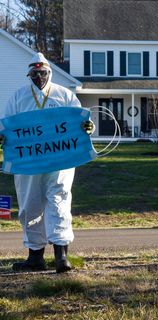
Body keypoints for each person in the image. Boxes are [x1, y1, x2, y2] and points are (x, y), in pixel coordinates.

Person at [0, 52, 94, 273]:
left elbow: (80, 122)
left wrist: (89, 128)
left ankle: (61, 256)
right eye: (35, 73)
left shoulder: (65, 95)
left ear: (49, 73)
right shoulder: (18, 97)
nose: (39, 77)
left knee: (59, 200)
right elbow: (8, 128)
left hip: (60, 160)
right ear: (29, 74)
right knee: (29, 204)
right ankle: (35, 256)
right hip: (28, 163)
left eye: (42, 73)